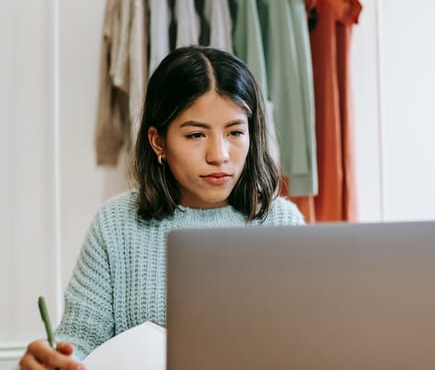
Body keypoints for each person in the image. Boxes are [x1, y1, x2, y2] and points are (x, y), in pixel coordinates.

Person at [19, 46, 305, 370]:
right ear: (158, 142)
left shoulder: (283, 222)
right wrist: (53, 361)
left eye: (235, 132)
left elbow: (305, 342)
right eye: (196, 135)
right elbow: (80, 343)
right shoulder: (116, 224)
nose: (219, 155)